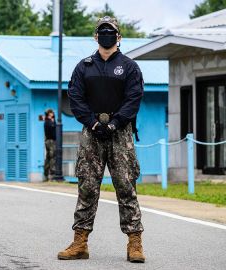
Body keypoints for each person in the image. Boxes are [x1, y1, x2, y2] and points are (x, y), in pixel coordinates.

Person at [57, 16, 145, 263]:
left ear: (119, 37)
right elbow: (75, 98)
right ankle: (80, 242)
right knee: (87, 186)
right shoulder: (84, 67)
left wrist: (116, 123)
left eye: (111, 31)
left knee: (126, 186)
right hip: (91, 132)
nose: (107, 35)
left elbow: (133, 99)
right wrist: (93, 123)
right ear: (96, 36)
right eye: (102, 31)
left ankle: (135, 243)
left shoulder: (129, 67)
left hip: (121, 133)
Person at [43, 109, 56, 181]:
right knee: (52, 157)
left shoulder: (48, 121)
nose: (53, 113)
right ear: (49, 113)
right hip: (50, 141)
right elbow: (51, 131)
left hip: (48, 140)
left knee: (48, 157)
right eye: (52, 112)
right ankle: (52, 174)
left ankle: (46, 174)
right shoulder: (48, 122)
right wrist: (53, 123)